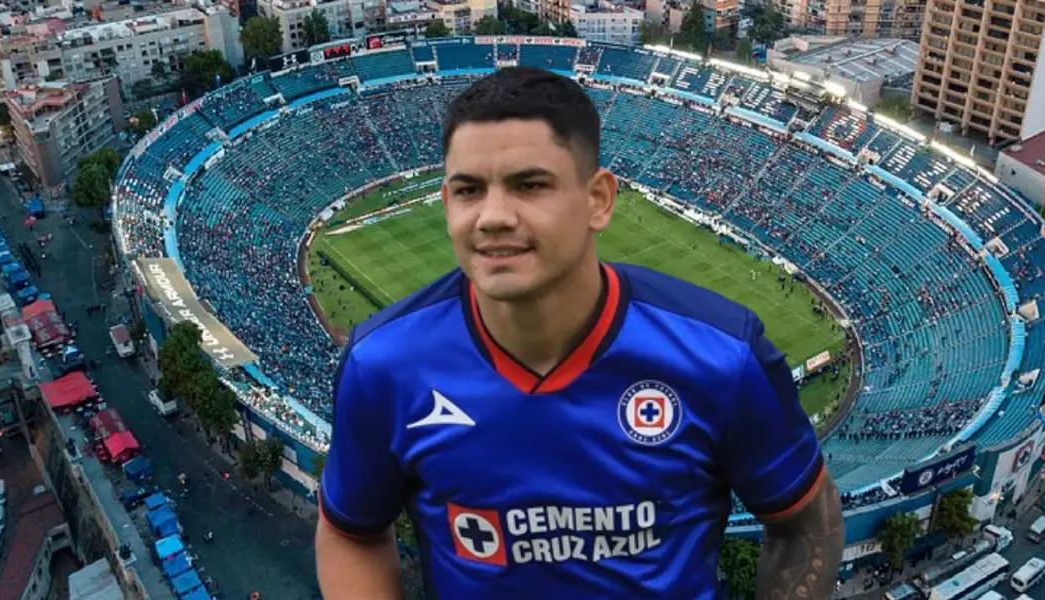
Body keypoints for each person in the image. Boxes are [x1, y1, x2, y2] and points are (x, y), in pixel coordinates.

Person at [315, 67, 845, 599]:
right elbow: (350, 532)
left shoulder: (722, 358)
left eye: (530, 185)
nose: (493, 216)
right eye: (469, 190)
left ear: (598, 200)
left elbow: (805, 520)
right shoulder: (383, 364)